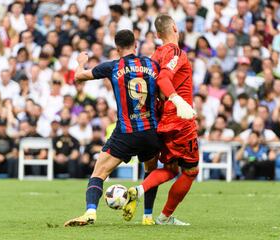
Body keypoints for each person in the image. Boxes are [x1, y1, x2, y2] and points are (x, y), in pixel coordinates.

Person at [64, 29, 194, 227]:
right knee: (150, 171)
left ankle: (90, 212)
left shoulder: (113, 66)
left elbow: (79, 77)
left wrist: (80, 62)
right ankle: (148, 217)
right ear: (136, 44)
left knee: (99, 172)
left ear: (117, 49)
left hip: (126, 133)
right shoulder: (152, 64)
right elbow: (162, 91)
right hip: (151, 132)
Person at [125, 14, 199, 226]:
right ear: (175, 28)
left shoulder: (155, 56)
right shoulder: (175, 52)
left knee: (172, 168)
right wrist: (178, 100)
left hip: (162, 120)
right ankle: (164, 217)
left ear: (157, 35)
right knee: (191, 170)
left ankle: (139, 190)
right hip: (179, 120)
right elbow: (164, 78)